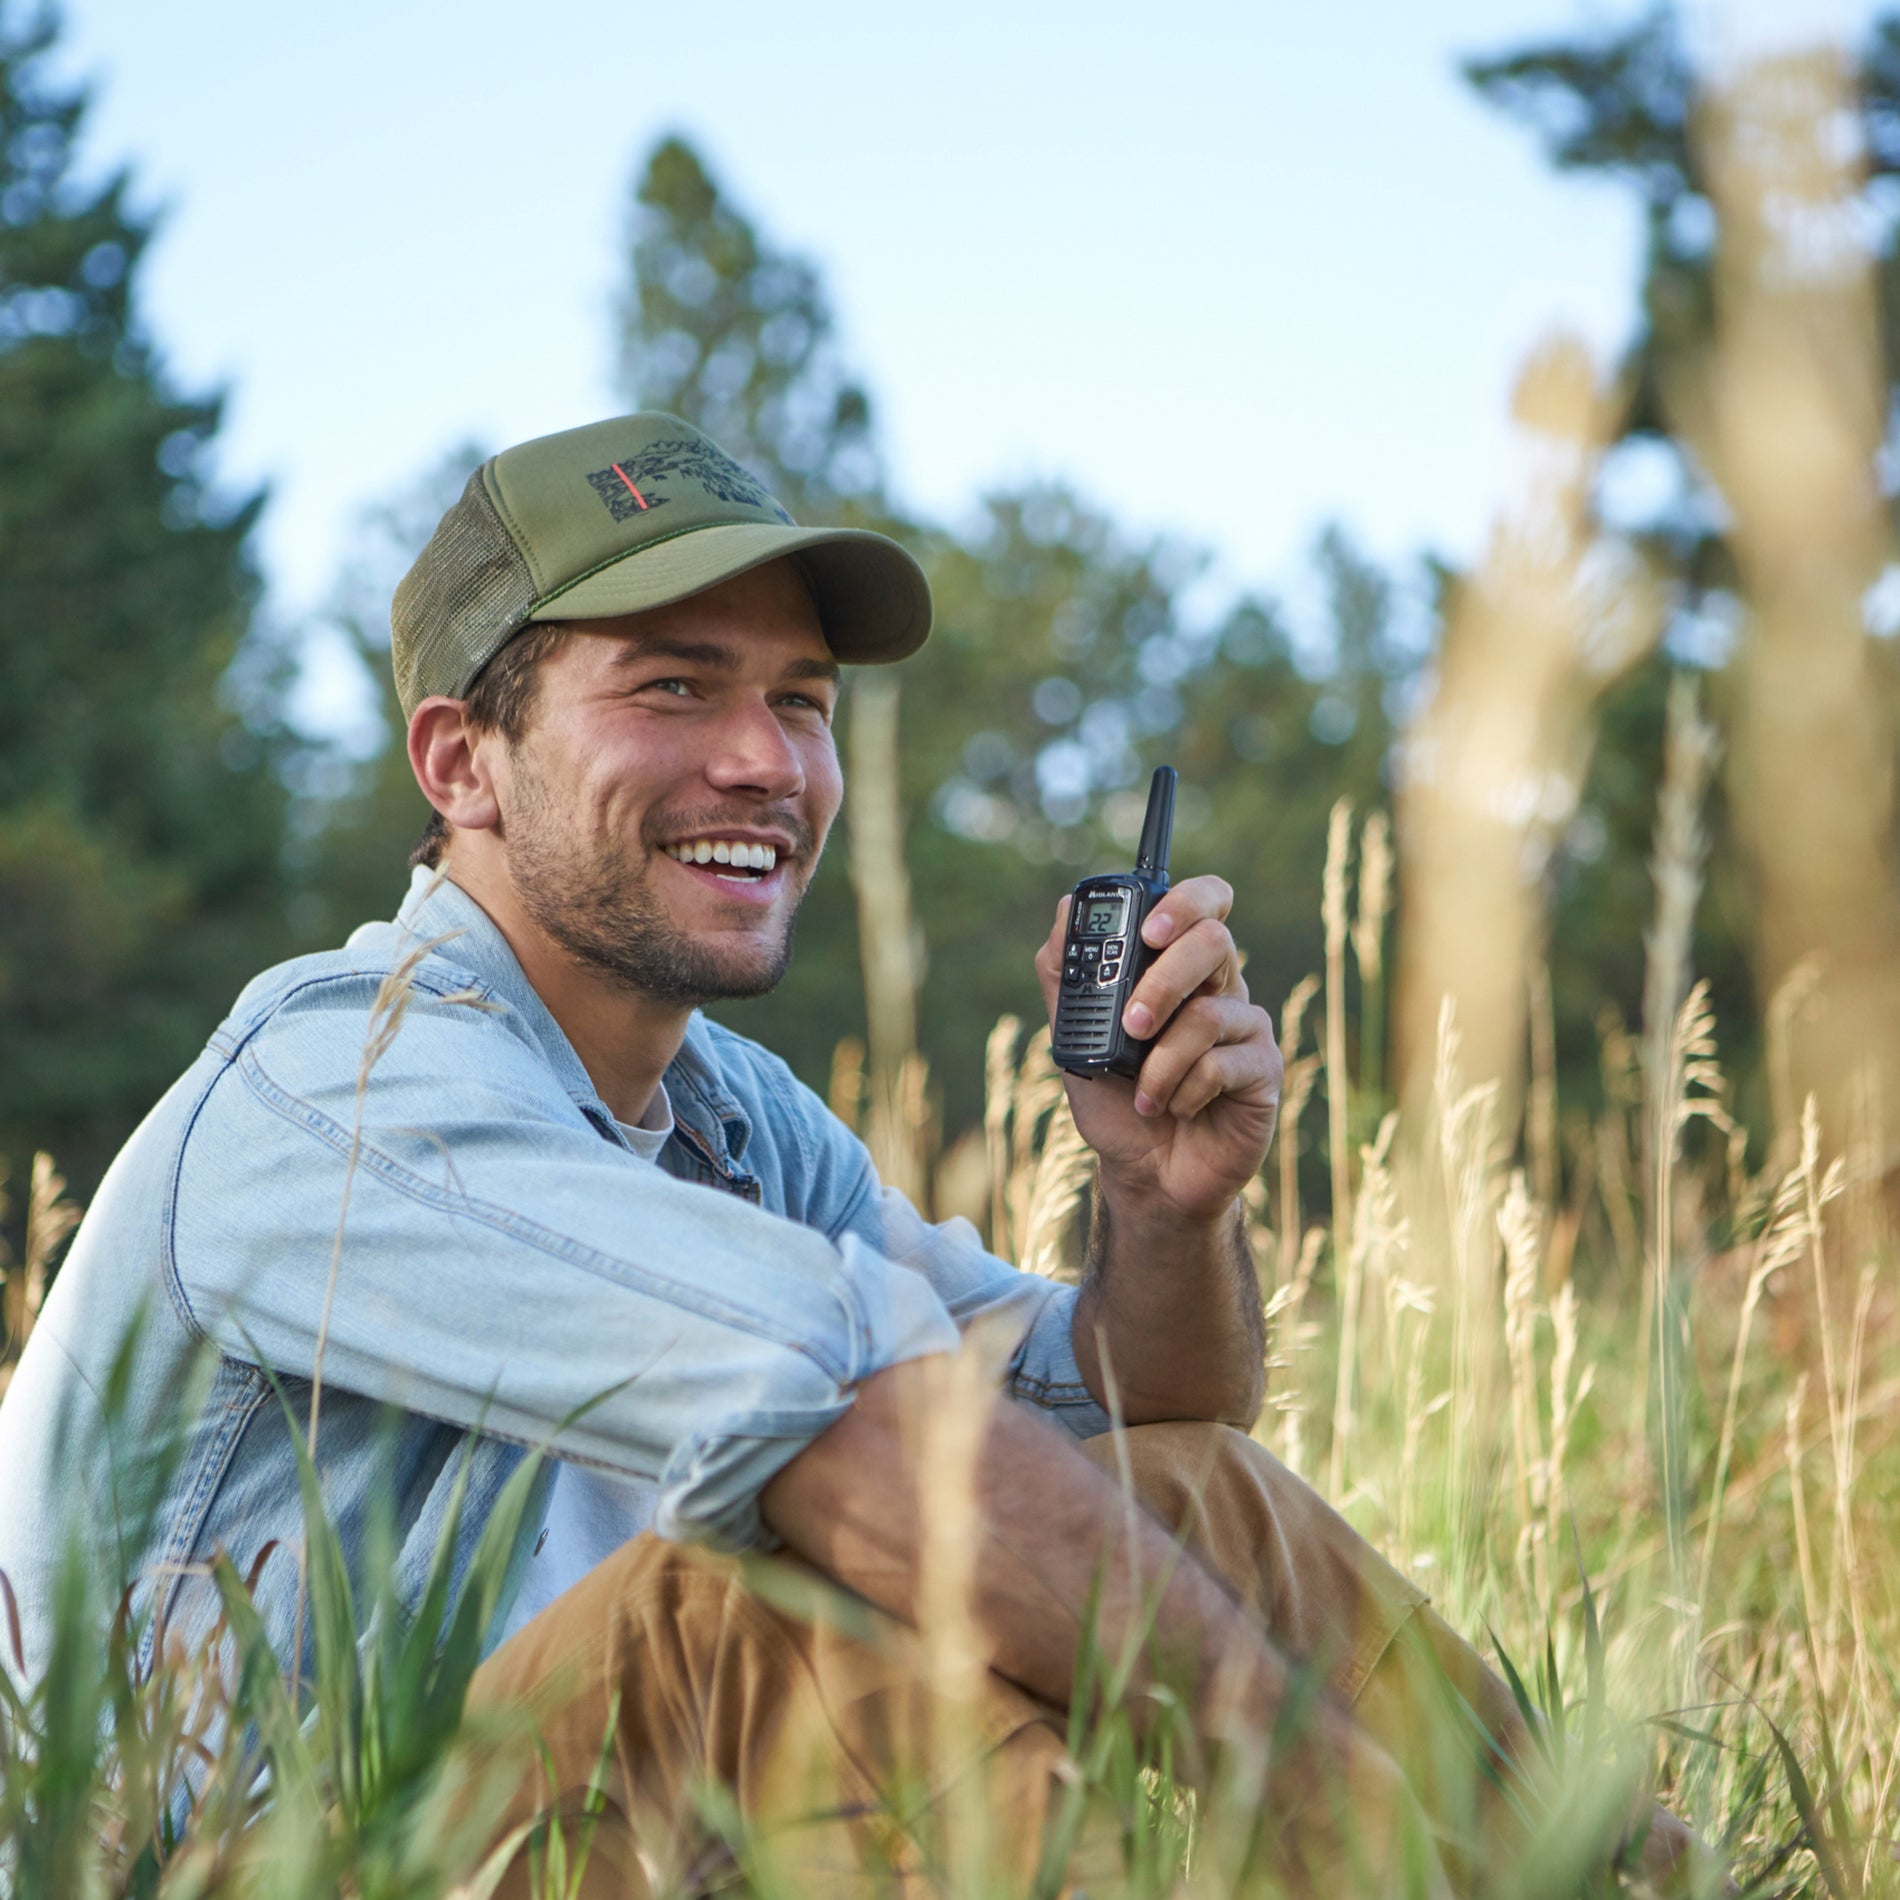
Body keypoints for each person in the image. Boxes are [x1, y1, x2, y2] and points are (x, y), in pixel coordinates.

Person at [0, 412, 1700, 1896]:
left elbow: (1118, 1407)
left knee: (1191, 1496)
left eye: (800, 701)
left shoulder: (733, 1116)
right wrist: (1318, 1790)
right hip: (250, 1865)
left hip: (554, 1837)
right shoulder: (336, 1086)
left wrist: (1160, 1205)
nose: (766, 760)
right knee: (746, 1618)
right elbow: (852, 1427)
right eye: (673, 687)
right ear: (465, 764)